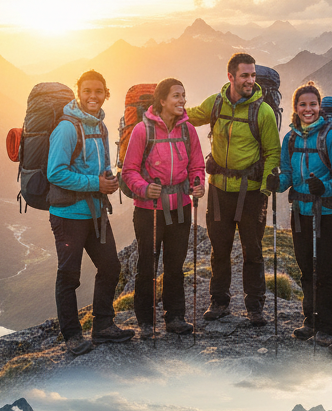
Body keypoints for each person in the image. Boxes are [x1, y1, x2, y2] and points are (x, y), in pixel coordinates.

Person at [187, 53, 281, 326]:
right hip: (218, 190)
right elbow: (191, 116)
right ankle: (219, 302)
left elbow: (272, 153)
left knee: (252, 251)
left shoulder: (262, 111)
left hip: (251, 193)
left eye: (252, 75)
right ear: (230, 77)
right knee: (220, 249)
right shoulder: (215, 104)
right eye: (245, 75)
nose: (250, 80)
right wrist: (165, 109)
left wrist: (264, 192)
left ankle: (255, 307)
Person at [47, 70, 134, 356]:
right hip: (69, 214)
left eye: (98, 91)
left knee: (110, 266)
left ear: (105, 93)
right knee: (69, 276)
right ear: (78, 93)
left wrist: (107, 180)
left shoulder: (100, 127)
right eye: (87, 91)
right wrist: (95, 183)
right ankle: (72, 336)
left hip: (95, 213)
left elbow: (101, 166)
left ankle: (103, 326)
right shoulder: (67, 128)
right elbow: (55, 172)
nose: (93, 96)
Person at [121, 77, 205, 339]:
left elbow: (197, 166)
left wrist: (197, 183)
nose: (182, 101)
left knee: (175, 265)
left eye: (183, 95)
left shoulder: (187, 130)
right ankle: (146, 321)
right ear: (162, 101)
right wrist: (144, 188)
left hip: (180, 207)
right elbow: (129, 171)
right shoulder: (142, 131)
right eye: (176, 96)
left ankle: (175, 317)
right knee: (148, 264)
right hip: (149, 209)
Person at [271, 83, 332, 345]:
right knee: (306, 268)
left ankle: (328, 325)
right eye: (303, 105)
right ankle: (311, 320)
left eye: (313, 104)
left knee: (325, 270)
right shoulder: (290, 139)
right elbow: (287, 174)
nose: (308, 109)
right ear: (296, 108)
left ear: (320, 107)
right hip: (300, 212)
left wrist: (324, 187)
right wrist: (277, 183)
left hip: (325, 214)